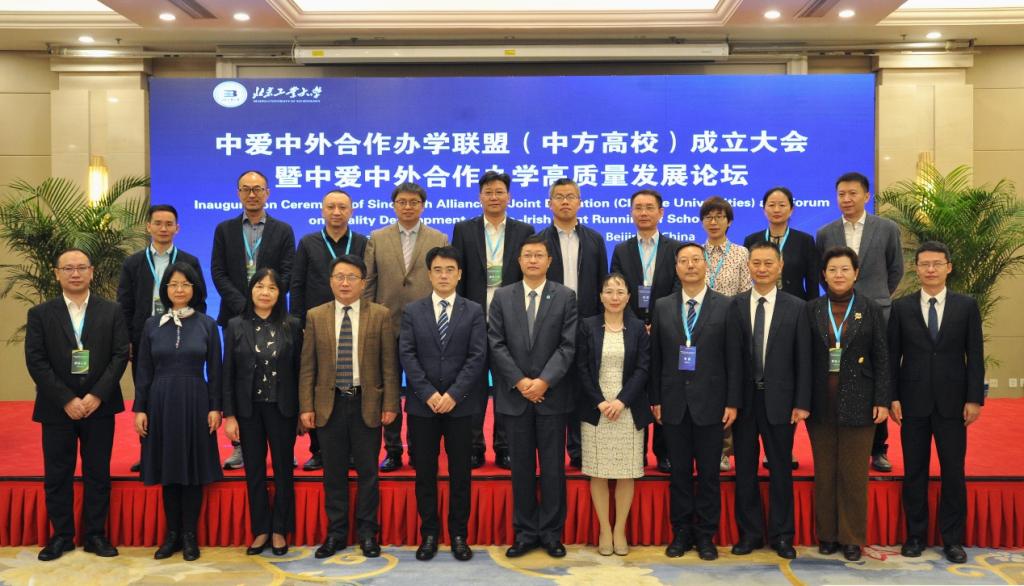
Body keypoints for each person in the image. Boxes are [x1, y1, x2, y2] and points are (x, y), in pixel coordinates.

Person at [25, 248, 129, 561]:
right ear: (56, 274)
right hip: (57, 408)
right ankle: (62, 536)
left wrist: (97, 394)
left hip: (100, 406)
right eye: (68, 268)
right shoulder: (41, 313)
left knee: (98, 472)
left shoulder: (112, 311)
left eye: (81, 267)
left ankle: (95, 535)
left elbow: (120, 355)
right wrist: (66, 399)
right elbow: (36, 360)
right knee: (57, 473)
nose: (75, 273)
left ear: (91, 272)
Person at [889, 241, 984, 564]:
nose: (931, 269)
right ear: (916, 268)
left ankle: (953, 540)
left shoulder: (966, 306)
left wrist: (974, 398)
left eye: (937, 264)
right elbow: (892, 357)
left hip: (953, 404)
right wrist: (892, 396)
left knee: (953, 472)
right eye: (924, 264)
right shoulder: (901, 308)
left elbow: (975, 355)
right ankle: (915, 536)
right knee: (914, 471)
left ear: (948, 267)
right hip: (912, 403)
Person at [299, 255, 400, 559]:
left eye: (352, 277)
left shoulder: (380, 315)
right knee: (333, 473)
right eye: (339, 277)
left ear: (363, 282)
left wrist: (390, 403)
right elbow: (308, 367)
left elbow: (389, 365)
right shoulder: (315, 315)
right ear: (330, 281)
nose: (345, 283)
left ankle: (368, 534)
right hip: (328, 404)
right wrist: (306, 406)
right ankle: (336, 534)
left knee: (369, 473)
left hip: (365, 403)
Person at [650, 242, 741, 561]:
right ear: (676, 268)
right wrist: (656, 398)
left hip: (712, 403)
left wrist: (732, 401)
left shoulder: (726, 306)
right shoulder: (662, 306)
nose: (690, 265)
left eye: (696, 260)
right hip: (673, 402)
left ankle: (705, 535)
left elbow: (734, 358)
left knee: (708, 474)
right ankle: (681, 532)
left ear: (706, 265)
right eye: (684, 261)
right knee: (678, 474)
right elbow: (656, 357)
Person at [489, 234, 578, 559]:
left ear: (549, 261)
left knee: (553, 469)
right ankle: (525, 533)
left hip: (552, 397)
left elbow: (568, 345)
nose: (533, 260)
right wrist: (520, 381)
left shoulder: (565, 296)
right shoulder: (503, 296)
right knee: (522, 469)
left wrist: (543, 382)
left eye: (539, 255)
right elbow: (495, 342)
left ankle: (552, 534)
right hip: (515, 397)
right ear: (519, 260)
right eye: (527, 255)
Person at [398, 246, 487, 562]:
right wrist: (428, 393)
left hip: (460, 407)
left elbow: (477, 356)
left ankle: (459, 535)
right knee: (425, 473)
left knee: (461, 473)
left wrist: (453, 395)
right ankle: (430, 534)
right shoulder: (413, 311)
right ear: (429, 274)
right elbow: (407, 354)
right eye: (438, 269)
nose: (444, 275)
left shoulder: (473, 311)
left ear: (460, 274)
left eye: (450, 270)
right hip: (423, 407)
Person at [133, 262, 224, 561]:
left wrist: (216, 407)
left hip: (196, 400)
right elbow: (143, 370)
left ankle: (189, 536)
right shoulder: (151, 325)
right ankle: (171, 534)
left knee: (192, 471)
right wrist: (140, 408)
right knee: (168, 468)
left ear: (195, 289)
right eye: (173, 284)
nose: (179, 289)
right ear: (165, 289)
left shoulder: (207, 324)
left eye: (185, 284)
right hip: (160, 401)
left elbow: (216, 370)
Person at [805, 246, 890, 562]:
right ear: (823, 275)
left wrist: (882, 399)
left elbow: (882, 357)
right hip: (819, 404)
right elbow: (803, 358)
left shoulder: (870, 308)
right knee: (825, 472)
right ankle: (827, 535)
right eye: (832, 270)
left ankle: (852, 537)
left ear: (856, 273)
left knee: (854, 475)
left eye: (844, 269)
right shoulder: (811, 309)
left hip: (860, 402)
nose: (838, 275)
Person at [728, 241, 811, 560]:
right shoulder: (735, 305)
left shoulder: (797, 307)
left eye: (768, 263)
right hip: (744, 402)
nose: (761, 269)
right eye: (756, 263)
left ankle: (782, 535)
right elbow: (730, 360)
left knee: (781, 469)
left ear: (780, 267)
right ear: (748, 266)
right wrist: (730, 401)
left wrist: (801, 401)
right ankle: (749, 534)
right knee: (745, 470)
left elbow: (804, 359)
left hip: (782, 402)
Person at [816, 172, 902, 473]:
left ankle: (879, 448)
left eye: (852, 193)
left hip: (876, 312)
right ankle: (840, 440)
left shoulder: (887, 228)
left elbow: (895, 270)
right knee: (841, 377)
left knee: (876, 374)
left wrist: (874, 301)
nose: (846, 199)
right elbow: (823, 273)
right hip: (837, 313)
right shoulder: (825, 232)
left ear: (867, 196)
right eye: (841, 194)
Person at [211, 169, 296, 470]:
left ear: (267, 193)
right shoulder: (224, 229)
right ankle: (241, 447)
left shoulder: (283, 230)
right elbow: (218, 272)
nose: (252, 194)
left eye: (258, 189)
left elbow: (287, 272)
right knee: (239, 376)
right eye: (246, 189)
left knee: (278, 375)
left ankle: (283, 444)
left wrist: (266, 300)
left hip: (274, 317)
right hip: (236, 317)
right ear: (238, 193)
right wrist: (245, 305)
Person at [452, 170, 536, 470]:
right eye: (488, 192)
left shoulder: (524, 230)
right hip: (473, 319)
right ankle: (474, 446)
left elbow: (530, 274)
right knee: (472, 386)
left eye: (499, 191)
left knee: (508, 385)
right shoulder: (464, 229)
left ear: (509, 196)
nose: (494, 197)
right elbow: (459, 276)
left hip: (511, 321)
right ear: (480, 197)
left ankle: (505, 446)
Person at [364, 182, 448, 472]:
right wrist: (368, 318)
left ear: (422, 206)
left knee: (420, 388)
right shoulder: (377, 237)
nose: (408, 206)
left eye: (414, 202)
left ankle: (418, 448)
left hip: (425, 326)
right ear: (394, 205)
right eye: (402, 202)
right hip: (385, 324)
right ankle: (393, 450)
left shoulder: (438, 238)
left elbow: (443, 282)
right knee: (388, 388)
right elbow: (369, 282)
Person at [117, 204, 207, 473]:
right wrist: (128, 340)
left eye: (169, 224)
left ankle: (180, 452)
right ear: (148, 226)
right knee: (146, 394)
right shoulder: (133, 263)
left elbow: (200, 300)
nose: (163, 228)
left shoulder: (189, 261)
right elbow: (124, 304)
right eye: (158, 223)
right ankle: (149, 454)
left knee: (179, 396)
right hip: (145, 338)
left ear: (177, 228)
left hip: (181, 338)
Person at [222, 268, 303, 556]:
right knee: (254, 471)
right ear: (251, 290)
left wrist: (303, 411)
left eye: (272, 287)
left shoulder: (292, 325)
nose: (265, 292)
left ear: (280, 294)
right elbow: (228, 373)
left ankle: (280, 529)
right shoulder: (235, 325)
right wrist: (229, 415)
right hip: (248, 410)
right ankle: (260, 530)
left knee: (283, 470)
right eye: (259, 286)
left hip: (283, 409)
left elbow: (300, 371)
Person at [291, 190, 368, 471]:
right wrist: (298, 324)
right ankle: (319, 449)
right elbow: (297, 285)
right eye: (331, 207)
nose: (337, 212)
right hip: (318, 326)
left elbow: (369, 283)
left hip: (354, 323)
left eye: (342, 207)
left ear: (352, 211)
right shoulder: (308, 242)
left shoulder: (362, 243)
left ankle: (353, 451)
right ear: (322, 210)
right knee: (319, 385)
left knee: (353, 388)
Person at [575, 273, 649, 556]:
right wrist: (600, 402)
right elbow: (581, 368)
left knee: (626, 472)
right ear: (601, 296)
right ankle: (605, 529)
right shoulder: (587, 326)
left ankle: (620, 530)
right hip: (597, 411)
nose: (614, 297)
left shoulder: (638, 328)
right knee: (599, 472)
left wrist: (621, 401)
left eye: (620, 291)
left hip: (628, 410)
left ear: (629, 297)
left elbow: (643, 368)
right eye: (609, 291)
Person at [610, 188, 682, 474]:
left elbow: (678, 286)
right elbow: (616, 287)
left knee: (663, 387)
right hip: (632, 328)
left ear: (660, 212)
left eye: (649, 207)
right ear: (631, 213)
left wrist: (660, 321)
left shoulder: (674, 248)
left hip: (667, 329)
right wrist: (636, 324)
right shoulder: (622, 249)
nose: (643, 213)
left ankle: (664, 452)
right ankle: (635, 450)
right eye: (638, 208)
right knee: (635, 387)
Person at [539, 178, 608, 469]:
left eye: (570, 196)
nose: (565, 201)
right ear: (549, 203)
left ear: (580, 202)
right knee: (555, 385)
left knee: (584, 385)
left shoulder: (594, 239)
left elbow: (602, 283)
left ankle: (581, 449)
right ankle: (554, 450)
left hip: (587, 323)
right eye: (559, 196)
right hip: (549, 325)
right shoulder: (539, 241)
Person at [698, 196, 751, 473]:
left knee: (726, 389)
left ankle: (724, 450)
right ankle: (701, 447)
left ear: (729, 221)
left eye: (719, 217)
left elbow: (745, 294)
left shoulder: (741, 254)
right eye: (708, 217)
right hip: (697, 333)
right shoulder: (695, 253)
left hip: (729, 331)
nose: (713, 222)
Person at [742, 187, 819, 301]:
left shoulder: (805, 240)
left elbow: (812, 281)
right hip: (760, 302)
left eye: (782, 205)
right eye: (771, 205)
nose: (776, 210)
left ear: (791, 209)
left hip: (796, 303)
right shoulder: (752, 240)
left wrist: (813, 307)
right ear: (764, 209)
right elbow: (745, 279)